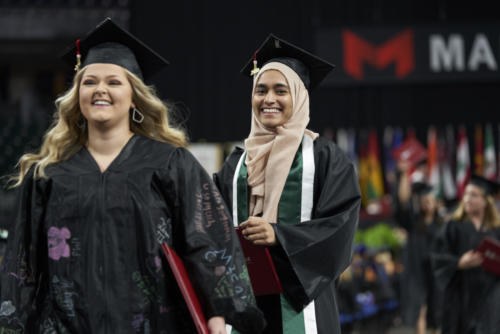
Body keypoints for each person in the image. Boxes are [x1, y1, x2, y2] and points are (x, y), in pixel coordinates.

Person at [0, 18, 265, 334]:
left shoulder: (170, 163)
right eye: (89, 82)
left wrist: (219, 312)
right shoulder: (49, 174)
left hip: (154, 324)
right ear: (77, 94)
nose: (100, 90)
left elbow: (205, 239)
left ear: (134, 96)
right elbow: (23, 263)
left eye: (114, 82)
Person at [214, 34, 361, 334]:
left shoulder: (325, 158)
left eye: (281, 90)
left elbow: (340, 227)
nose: (268, 99)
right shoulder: (237, 162)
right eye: (261, 90)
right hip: (246, 303)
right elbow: (209, 221)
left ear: (299, 97)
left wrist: (278, 236)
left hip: (303, 305)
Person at [432, 174, 500, 334]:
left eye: (474, 195)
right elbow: (437, 258)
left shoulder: (496, 229)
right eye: (466, 194)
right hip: (461, 297)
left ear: (486, 201)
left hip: (491, 298)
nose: (467, 199)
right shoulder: (453, 226)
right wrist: (458, 263)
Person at [395, 161, 443, 334]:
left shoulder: (442, 224)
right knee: (420, 309)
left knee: (438, 312)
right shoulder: (414, 222)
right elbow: (403, 201)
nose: (428, 203)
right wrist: (404, 175)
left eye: (431, 200)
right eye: (425, 200)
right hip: (417, 272)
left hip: (437, 272)